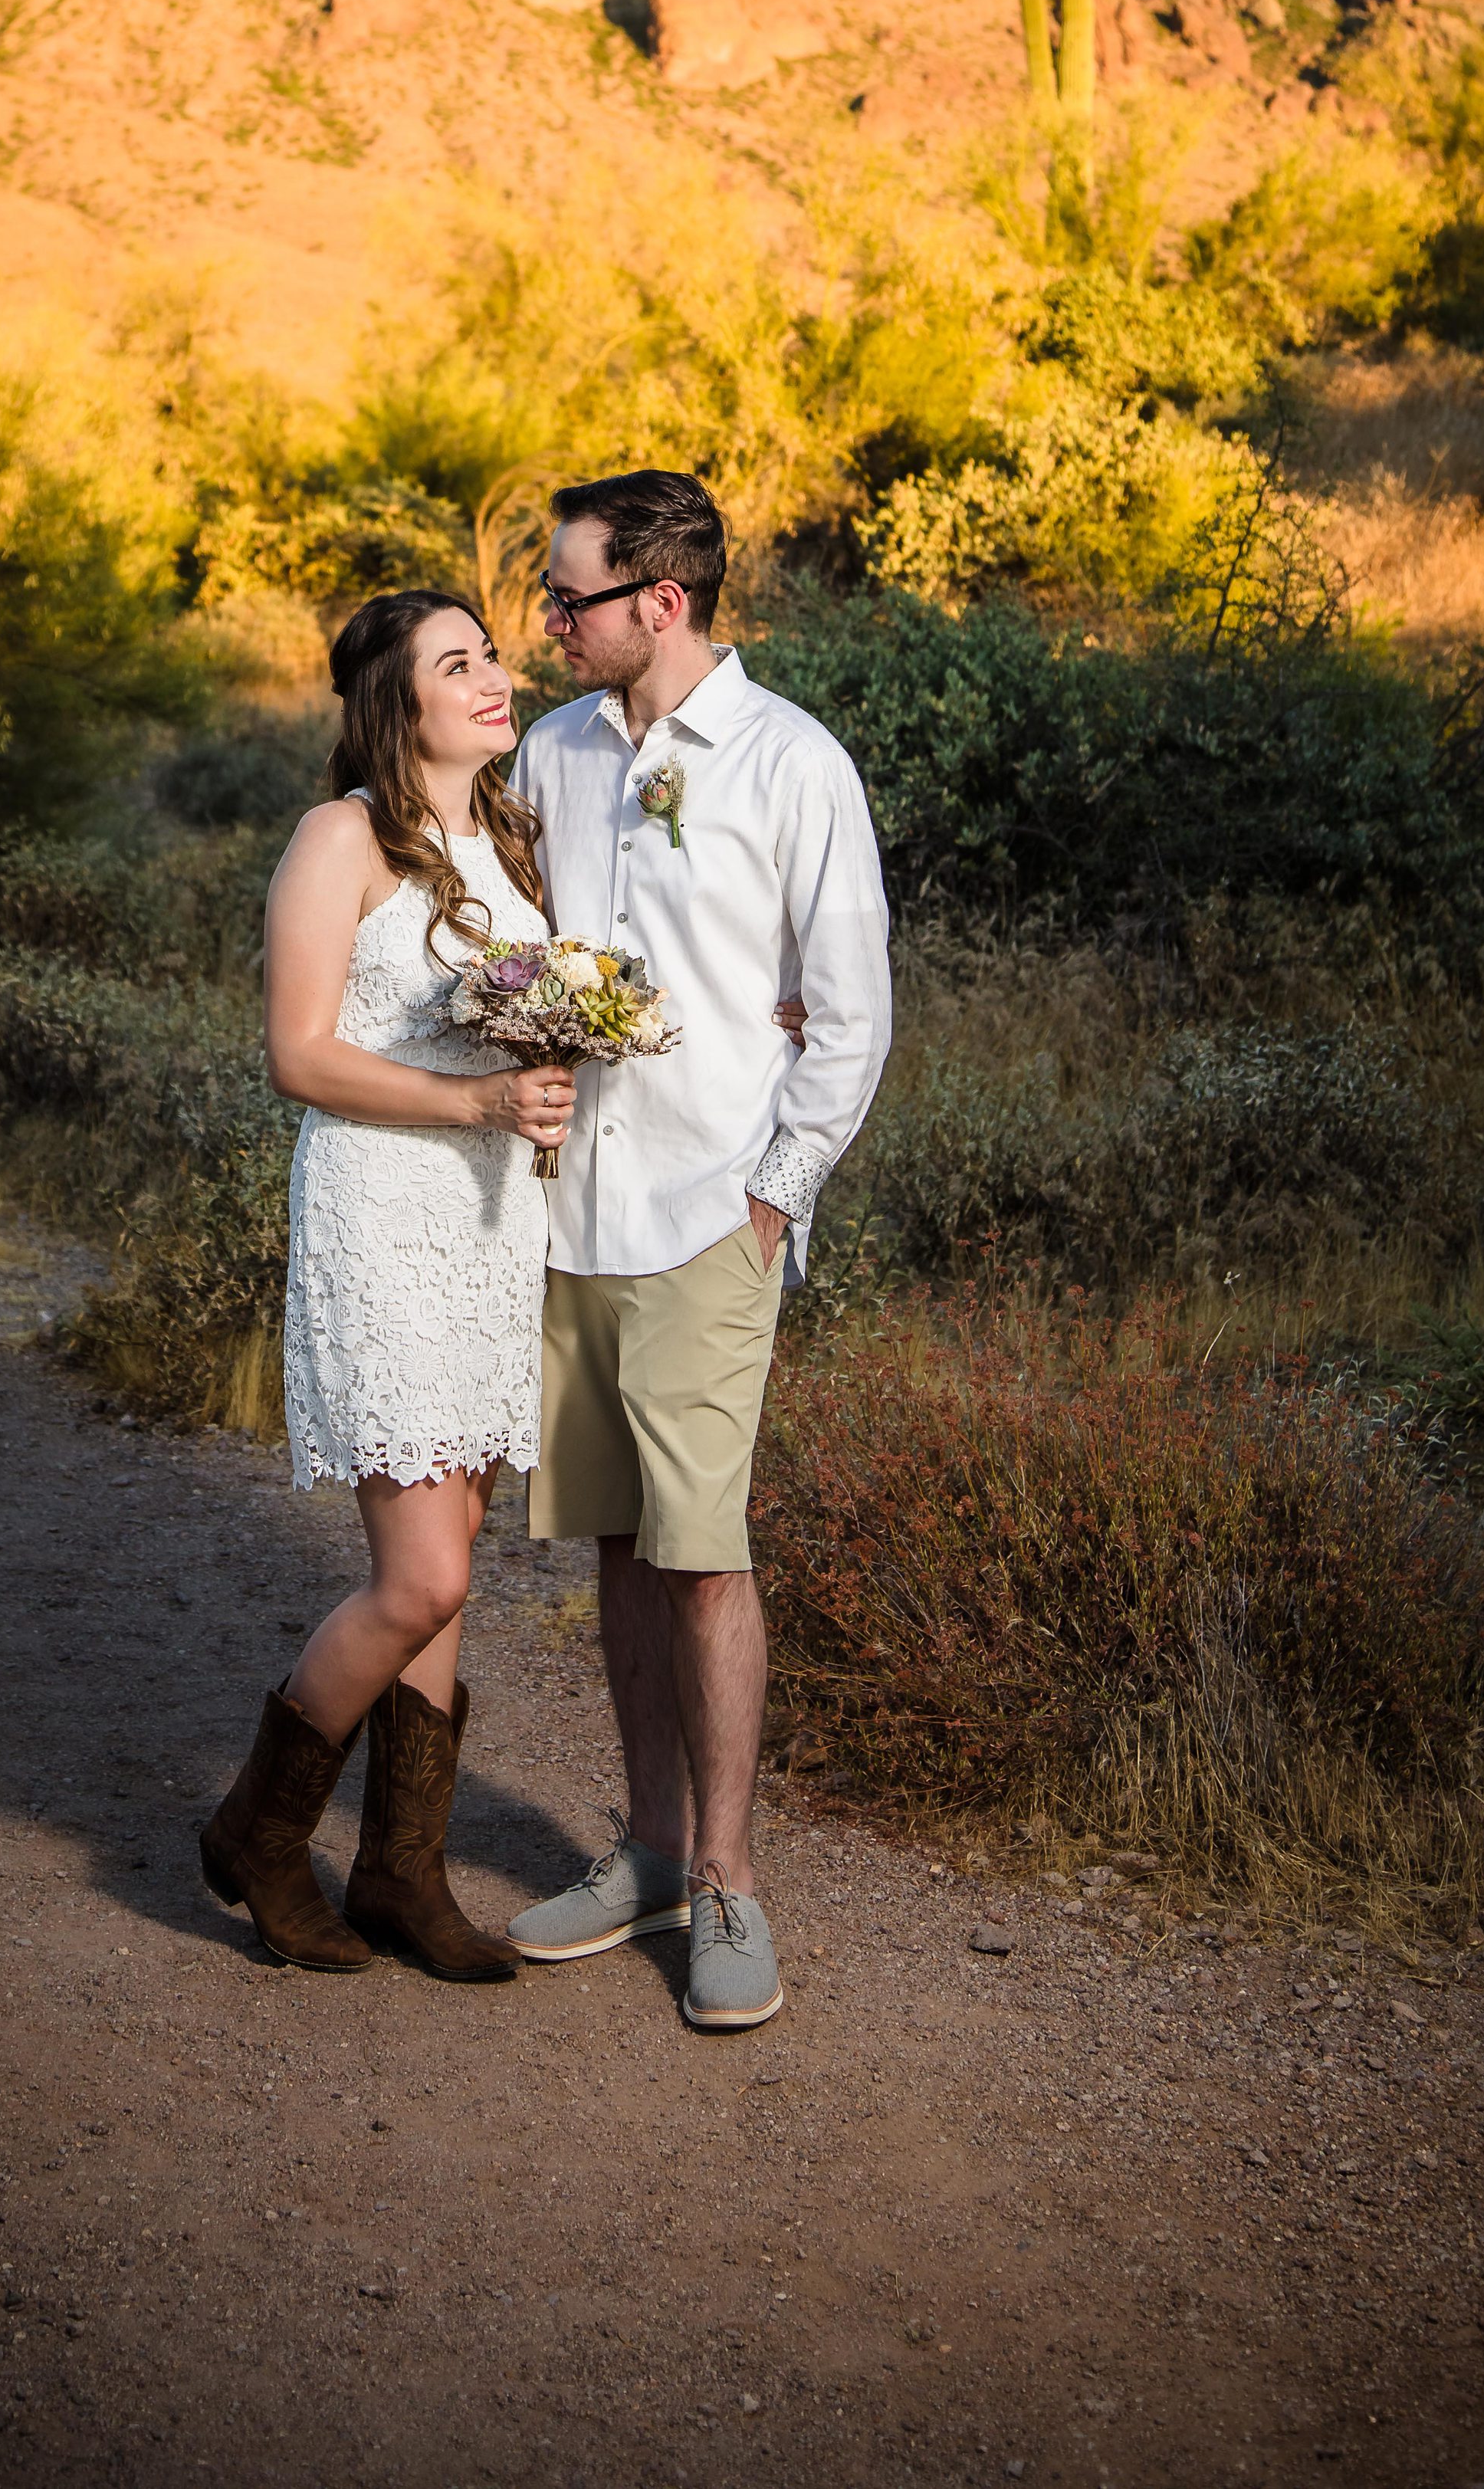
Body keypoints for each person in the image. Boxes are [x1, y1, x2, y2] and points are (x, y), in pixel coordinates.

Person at [507, 470, 891, 2030]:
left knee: (704, 1552)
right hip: (569, 1217)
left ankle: (731, 1881)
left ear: (660, 604)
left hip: (704, 1217)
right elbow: (512, 947)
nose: (547, 621)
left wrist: (772, 1202)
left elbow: (850, 1014)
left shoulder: (792, 765)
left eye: (570, 596)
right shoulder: (553, 750)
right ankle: (653, 1849)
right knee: (614, 1547)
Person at [199, 591, 573, 1981]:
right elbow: (298, 1054)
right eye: (457, 663)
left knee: (454, 1569)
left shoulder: (510, 840)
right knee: (419, 1578)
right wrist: (472, 1108)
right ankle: (256, 1828)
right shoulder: (340, 837)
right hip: (383, 1214)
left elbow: (530, 1017)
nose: (494, 677)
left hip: (490, 1230)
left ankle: (403, 1876)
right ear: (392, 704)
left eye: (493, 654)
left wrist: (549, 1077)